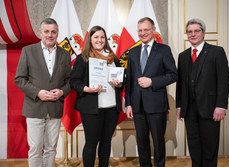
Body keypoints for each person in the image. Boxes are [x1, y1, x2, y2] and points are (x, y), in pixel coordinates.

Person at [14, 18, 71, 167]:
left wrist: (61, 92)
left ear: (57, 33)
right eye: (46, 31)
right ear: (41, 33)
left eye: (53, 32)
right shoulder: (28, 51)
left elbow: (70, 81)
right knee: (35, 149)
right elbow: (19, 79)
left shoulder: (65, 54)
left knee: (51, 148)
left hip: (55, 108)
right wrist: (38, 92)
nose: (50, 35)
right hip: (34, 107)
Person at [176, 18, 229, 167]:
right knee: (194, 149)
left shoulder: (216, 52)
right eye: (190, 32)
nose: (193, 34)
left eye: (196, 31)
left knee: (209, 149)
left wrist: (221, 106)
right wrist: (179, 105)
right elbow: (180, 84)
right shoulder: (183, 56)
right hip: (189, 111)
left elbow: (224, 80)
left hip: (210, 108)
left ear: (204, 33)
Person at [125, 17, 178, 167]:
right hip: (137, 106)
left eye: (146, 30)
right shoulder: (133, 52)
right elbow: (129, 80)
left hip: (156, 105)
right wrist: (128, 104)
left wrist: (152, 81)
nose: (143, 33)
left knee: (158, 141)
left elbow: (173, 74)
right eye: (140, 30)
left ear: (154, 30)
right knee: (141, 142)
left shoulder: (164, 50)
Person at [70, 25, 123, 167]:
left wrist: (119, 84)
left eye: (102, 37)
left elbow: (121, 82)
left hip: (112, 107)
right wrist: (86, 89)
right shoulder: (83, 59)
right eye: (96, 37)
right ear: (90, 40)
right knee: (91, 143)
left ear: (105, 40)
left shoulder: (114, 59)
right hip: (92, 108)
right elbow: (74, 81)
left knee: (106, 142)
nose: (99, 40)